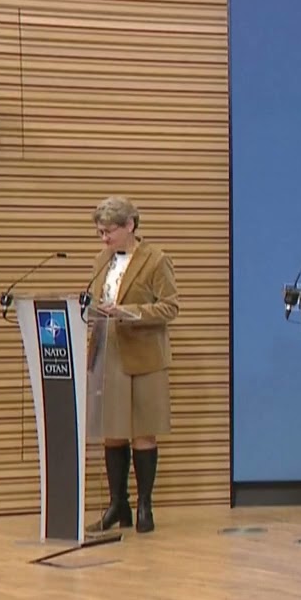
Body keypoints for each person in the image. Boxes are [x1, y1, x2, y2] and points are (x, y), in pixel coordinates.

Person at [84, 196, 180, 534]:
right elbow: (95, 299)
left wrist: (131, 313)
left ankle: (144, 506)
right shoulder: (101, 260)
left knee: (143, 431)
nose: (104, 238)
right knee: (112, 432)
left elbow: (170, 307)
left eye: (109, 231)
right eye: (100, 232)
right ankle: (118, 505)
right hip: (107, 349)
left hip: (144, 354)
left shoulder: (156, 260)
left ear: (130, 225)